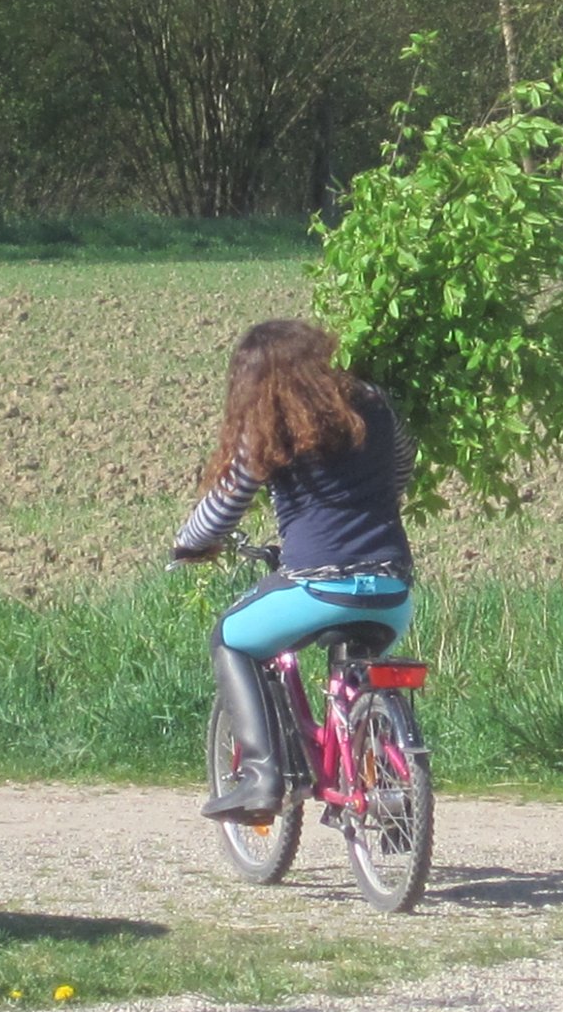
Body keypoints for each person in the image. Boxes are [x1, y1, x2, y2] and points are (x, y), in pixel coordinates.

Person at [169, 319, 418, 824]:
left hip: (318, 586)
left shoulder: (272, 420)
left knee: (231, 639)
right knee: (361, 679)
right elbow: (403, 467)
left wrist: (190, 543)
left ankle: (261, 776)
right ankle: (392, 805)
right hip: (392, 590)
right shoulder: (372, 401)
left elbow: (224, 505)